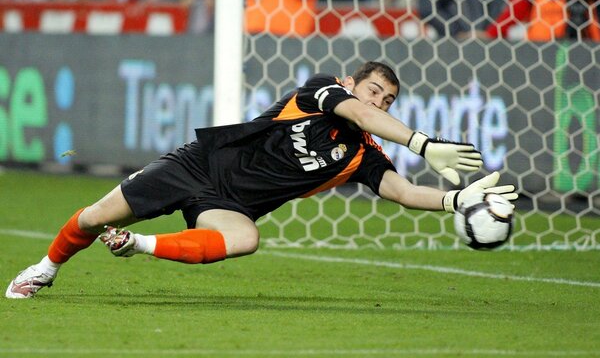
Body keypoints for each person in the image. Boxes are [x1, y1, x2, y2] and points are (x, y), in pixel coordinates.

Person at [6, 61, 518, 299]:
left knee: (246, 239)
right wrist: (423, 144)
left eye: (387, 101)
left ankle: (136, 243)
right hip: (195, 164)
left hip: (228, 204)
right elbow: (358, 116)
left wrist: (456, 200)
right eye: (373, 92)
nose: (378, 103)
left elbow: (402, 192)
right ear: (349, 84)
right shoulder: (319, 93)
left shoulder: (360, 154)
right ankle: (45, 268)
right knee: (93, 216)